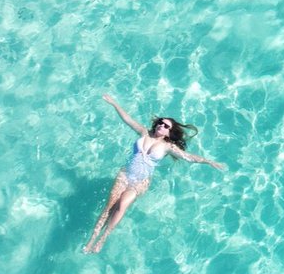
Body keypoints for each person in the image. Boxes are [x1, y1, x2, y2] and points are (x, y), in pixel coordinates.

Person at [83, 93, 225, 254]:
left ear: (169, 133)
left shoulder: (168, 147)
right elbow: (128, 119)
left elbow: (189, 157)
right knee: (109, 206)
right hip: (125, 175)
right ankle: (91, 240)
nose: (161, 126)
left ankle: (103, 238)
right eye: (160, 123)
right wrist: (114, 103)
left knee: (122, 205)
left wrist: (209, 161)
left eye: (166, 126)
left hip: (140, 182)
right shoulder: (144, 132)